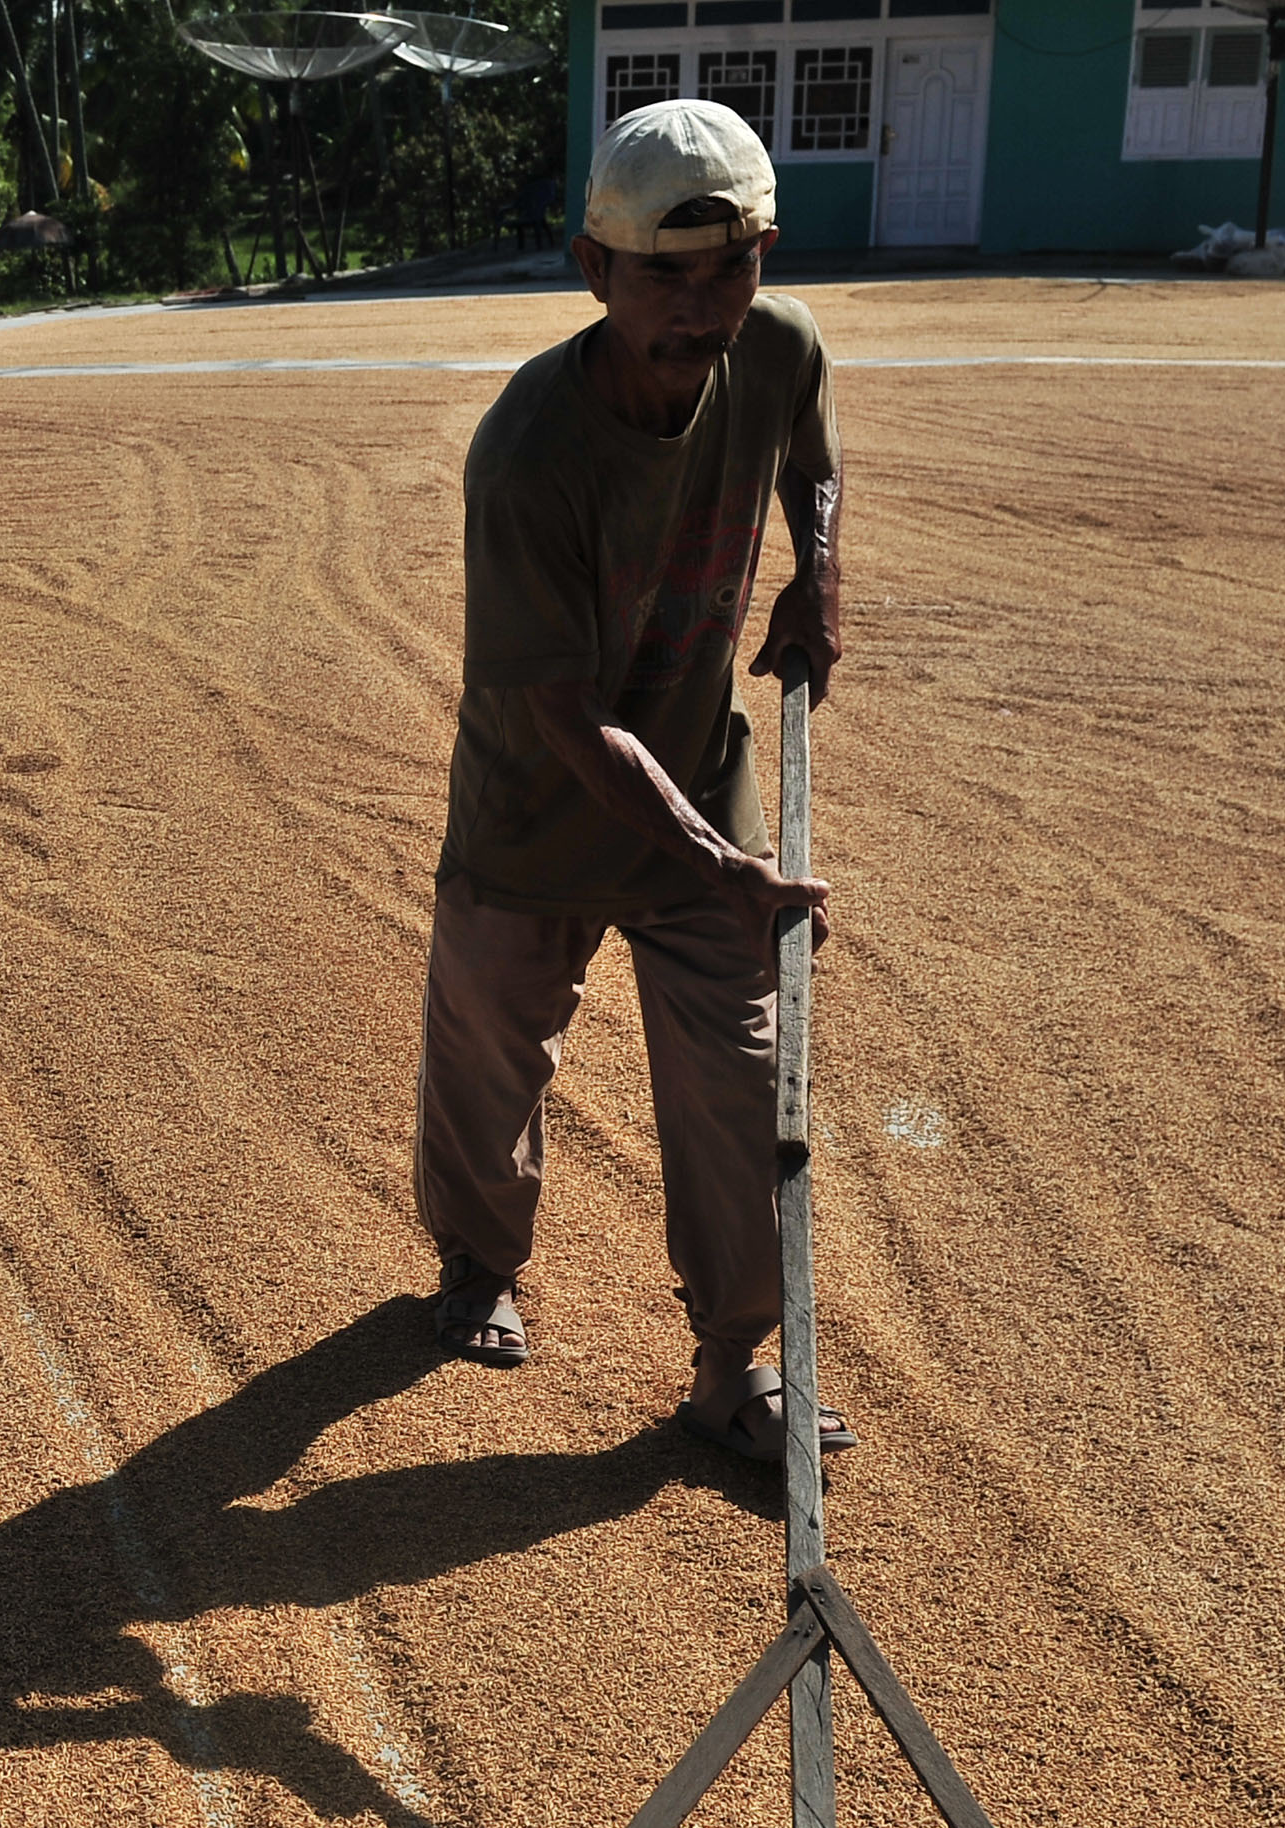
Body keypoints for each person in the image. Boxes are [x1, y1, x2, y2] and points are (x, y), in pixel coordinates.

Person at [414, 98, 851, 1465]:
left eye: (734, 265)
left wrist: (817, 580)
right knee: (491, 1060)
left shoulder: (774, 351)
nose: (705, 305)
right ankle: (479, 1256)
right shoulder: (531, 452)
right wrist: (728, 869)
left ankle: (734, 1361)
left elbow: (815, 465)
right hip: (538, 809)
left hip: (696, 783)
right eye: (667, 273)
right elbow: (559, 709)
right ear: (595, 271)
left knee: (742, 1077)